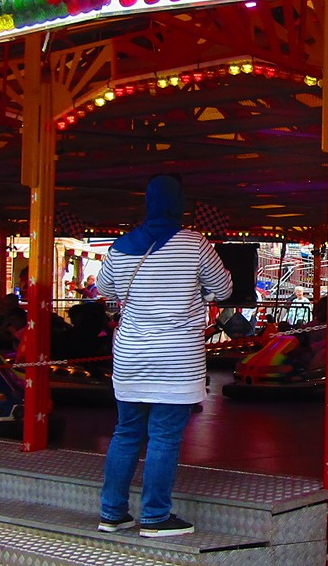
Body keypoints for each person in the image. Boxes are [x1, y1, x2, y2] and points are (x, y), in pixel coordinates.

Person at [95, 174, 231, 538]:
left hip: (130, 356)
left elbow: (103, 287)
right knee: (164, 437)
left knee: (125, 433)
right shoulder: (195, 244)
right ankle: (154, 516)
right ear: (179, 203)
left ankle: (112, 513)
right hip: (176, 358)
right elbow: (223, 288)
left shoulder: (120, 247)